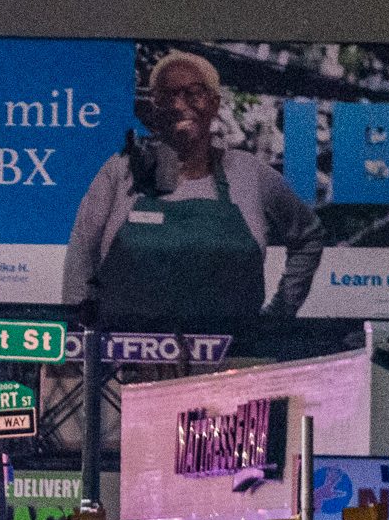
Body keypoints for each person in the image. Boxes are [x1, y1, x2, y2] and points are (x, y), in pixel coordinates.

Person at [62, 50, 325, 330]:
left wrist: (277, 318)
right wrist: (76, 340)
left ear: (214, 103)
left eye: (194, 93)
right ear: (153, 108)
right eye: (167, 96)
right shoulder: (120, 172)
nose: (180, 105)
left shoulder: (250, 174)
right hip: (127, 363)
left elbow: (309, 237)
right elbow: (81, 258)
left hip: (232, 363)